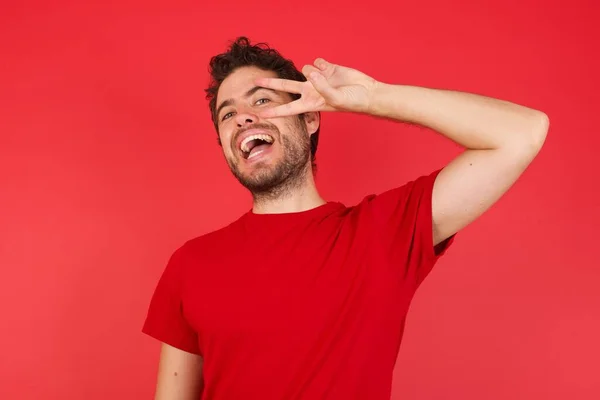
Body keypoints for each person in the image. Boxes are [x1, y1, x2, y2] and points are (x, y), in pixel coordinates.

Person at [142, 36, 549, 399]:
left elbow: (521, 133)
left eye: (262, 100)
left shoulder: (384, 231)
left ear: (310, 117)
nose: (243, 117)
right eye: (227, 115)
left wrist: (373, 97)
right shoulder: (191, 264)